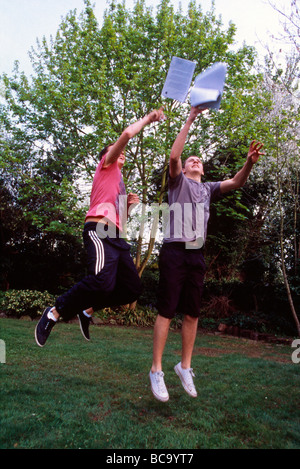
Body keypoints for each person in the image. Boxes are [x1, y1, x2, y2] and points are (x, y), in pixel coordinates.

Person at [149, 106, 264, 402]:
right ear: (186, 169)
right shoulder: (178, 183)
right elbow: (174, 156)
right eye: (191, 160)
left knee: (193, 312)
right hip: (175, 251)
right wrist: (190, 118)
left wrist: (249, 163)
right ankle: (156, 370)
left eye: (198, 159)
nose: (195, 160)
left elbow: (237, 182)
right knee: (166, 310)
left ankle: (184, 366)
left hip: (196, 255)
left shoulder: (209, 189)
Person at [35, 107, 165, 347]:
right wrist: (148, 118)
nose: (122, 153)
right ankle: (54, 312)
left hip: (115, 236)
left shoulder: (120, 184)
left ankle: (87, 310)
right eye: (118, 151)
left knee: (132, 289)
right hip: (97, 230)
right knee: (101, 280)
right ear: (107, 156)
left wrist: (128, 209)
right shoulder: (106, 166)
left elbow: (120, 224)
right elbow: (126, 134)